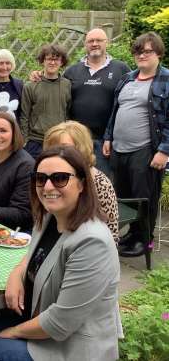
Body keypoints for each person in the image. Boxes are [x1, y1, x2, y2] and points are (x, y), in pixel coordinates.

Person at [0, 146, 122, 361]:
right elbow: (32, 257)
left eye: (60, 178)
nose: (48, 186)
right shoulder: (50, 216)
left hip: (66, 347)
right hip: (36, 317)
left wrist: (11, 333)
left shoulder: (91, 241)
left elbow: (60, 322)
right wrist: (16, 273)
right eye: (40, 178)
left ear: (82, 184)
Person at [103, 32, 169, 257]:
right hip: (119, 149)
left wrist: (164, 150)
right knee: (124, 195)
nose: (142, 55)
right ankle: (131, 234)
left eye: (147, 51)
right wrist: (108, 137)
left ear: (158, 53)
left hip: (146, 150)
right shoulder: (127, 78)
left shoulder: (166, 80)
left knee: (145, 196)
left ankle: (145, 239)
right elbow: (115, 111)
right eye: (139, 51)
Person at [63, 28, 130, 177]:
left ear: (107, 43)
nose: (94, 44)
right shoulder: (72, 71)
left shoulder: (121, 69)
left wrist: (111, 137)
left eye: (99, 40)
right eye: (90, 41)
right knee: (76, 180)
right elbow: (58, 90)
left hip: (106, 142)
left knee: (102, 183)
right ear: (85, 44)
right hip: (76, 140)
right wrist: (39, 75)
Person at [44, 121, 119, 242]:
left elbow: (111, 235)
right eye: (52, 148)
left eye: (64, 148)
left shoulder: (100, 183)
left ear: (82, 149)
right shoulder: (47, 178)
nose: (57, 154)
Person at [20, 44, 71, 159]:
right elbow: (24, 115)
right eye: (49, 59)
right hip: (35, 142)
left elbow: (67, 112)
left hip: (59, 140)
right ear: (43, 61)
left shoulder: (67, 85)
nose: (52, 63)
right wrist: (24, 140)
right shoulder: (30, 86)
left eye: (56, 59)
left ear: (62, 62)